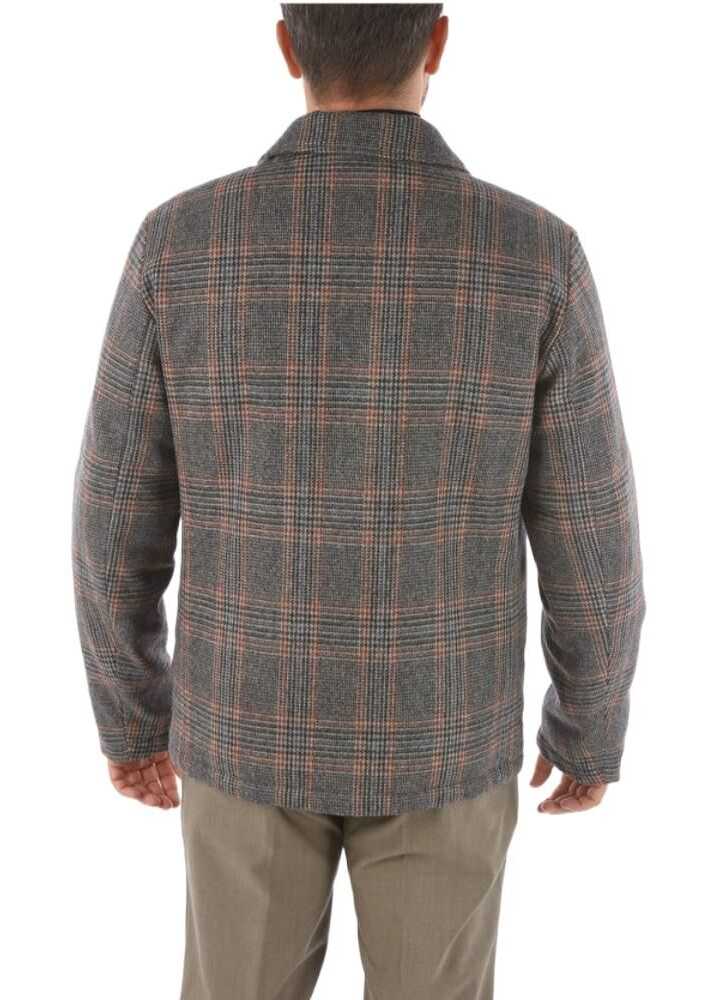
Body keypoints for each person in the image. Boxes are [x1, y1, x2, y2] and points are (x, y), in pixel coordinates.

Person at [71, 4, 646, 998]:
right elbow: (592, 533)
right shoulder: (535, 255)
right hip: (444, 735)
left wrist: (131, 717)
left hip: (244, 725)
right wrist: (588, 724)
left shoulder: (180, 244)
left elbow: (112, 522)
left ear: (287, 46)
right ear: (438, 42)